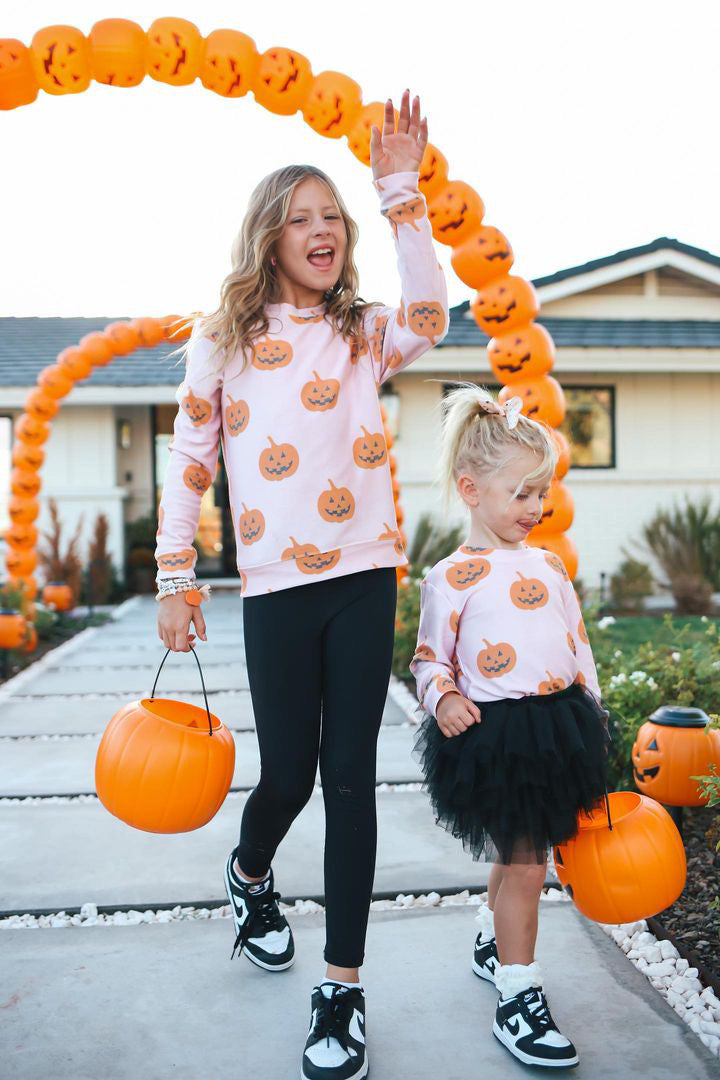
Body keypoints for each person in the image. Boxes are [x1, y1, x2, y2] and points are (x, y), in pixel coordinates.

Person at [155, 90, 448, 1080]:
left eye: (335, 216)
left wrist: (400, 189)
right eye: (302, 216)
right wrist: (174, 575)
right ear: (269, 236)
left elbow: (432, 312)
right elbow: (192, 459)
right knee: (285, 775)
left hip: (364, 573)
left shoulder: (366, 332)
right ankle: (249, 873)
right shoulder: (224, 337)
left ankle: (342, 990)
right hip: (275, 586)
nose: (322, 231)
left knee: (351, 779)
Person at [409, 385, 609, 1069]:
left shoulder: (549, 566)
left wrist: (596, 710)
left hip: (557, 729)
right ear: (471, 489)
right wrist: (442, 700)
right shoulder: (452, 576)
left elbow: (575, 644)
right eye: (520, 495)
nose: (536, 509)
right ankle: (518, 996)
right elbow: (429, 659)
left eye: (541, 495)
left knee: (524, 853)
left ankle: (494, 944)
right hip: (493, 738)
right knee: (526, 862)